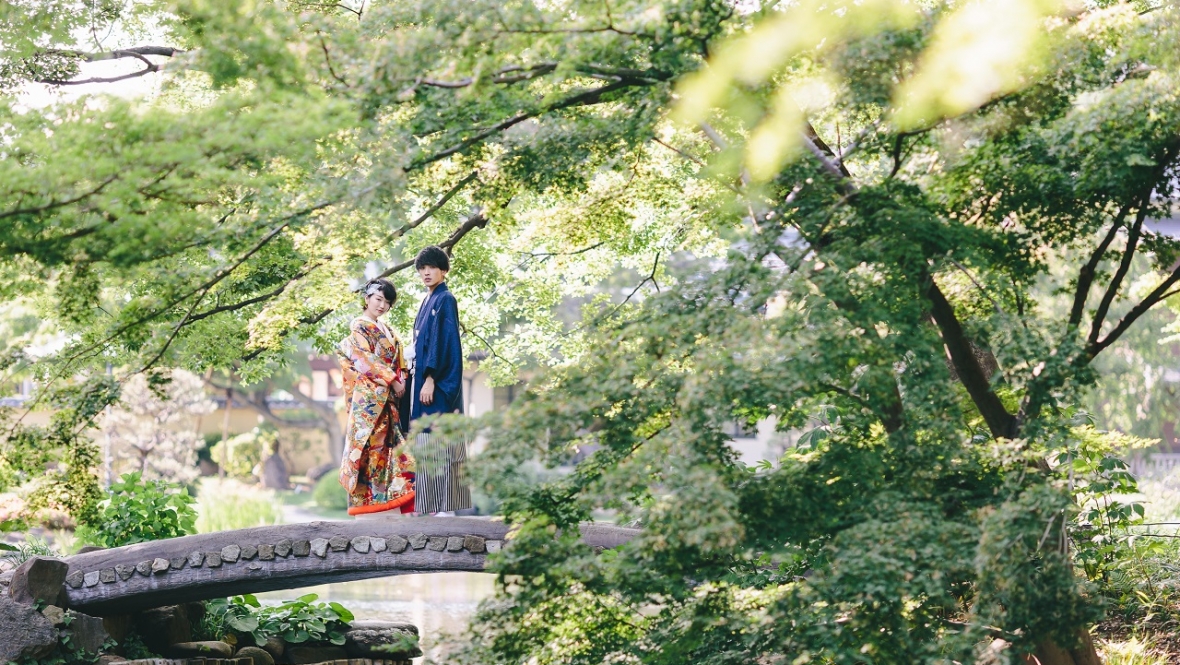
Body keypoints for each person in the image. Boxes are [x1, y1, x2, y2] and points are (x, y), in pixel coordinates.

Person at [337, 278, 416, 516]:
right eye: (378, 299)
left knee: (387, 449)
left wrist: (399, 378)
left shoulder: (387, 330)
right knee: (371, 448)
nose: (382, 305)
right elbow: (364, 360)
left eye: (387, 302)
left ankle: (386, 501)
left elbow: (397, 359)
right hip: (372, 398)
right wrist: (392, 379)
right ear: (367, 299)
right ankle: (370, 505)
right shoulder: (359, 326)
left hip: (387, 398)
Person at [405, 245, 471, 515]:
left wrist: (430, 378)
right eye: (422, 268)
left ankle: (446, 506)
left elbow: (444, 343)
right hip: (424, 381)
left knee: (441, 438)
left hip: (439, 384)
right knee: (427, 439)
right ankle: (432, 505)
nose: (426, 272)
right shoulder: (427, 300)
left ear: (443, 270)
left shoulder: (446, 299)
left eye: (432, 267)